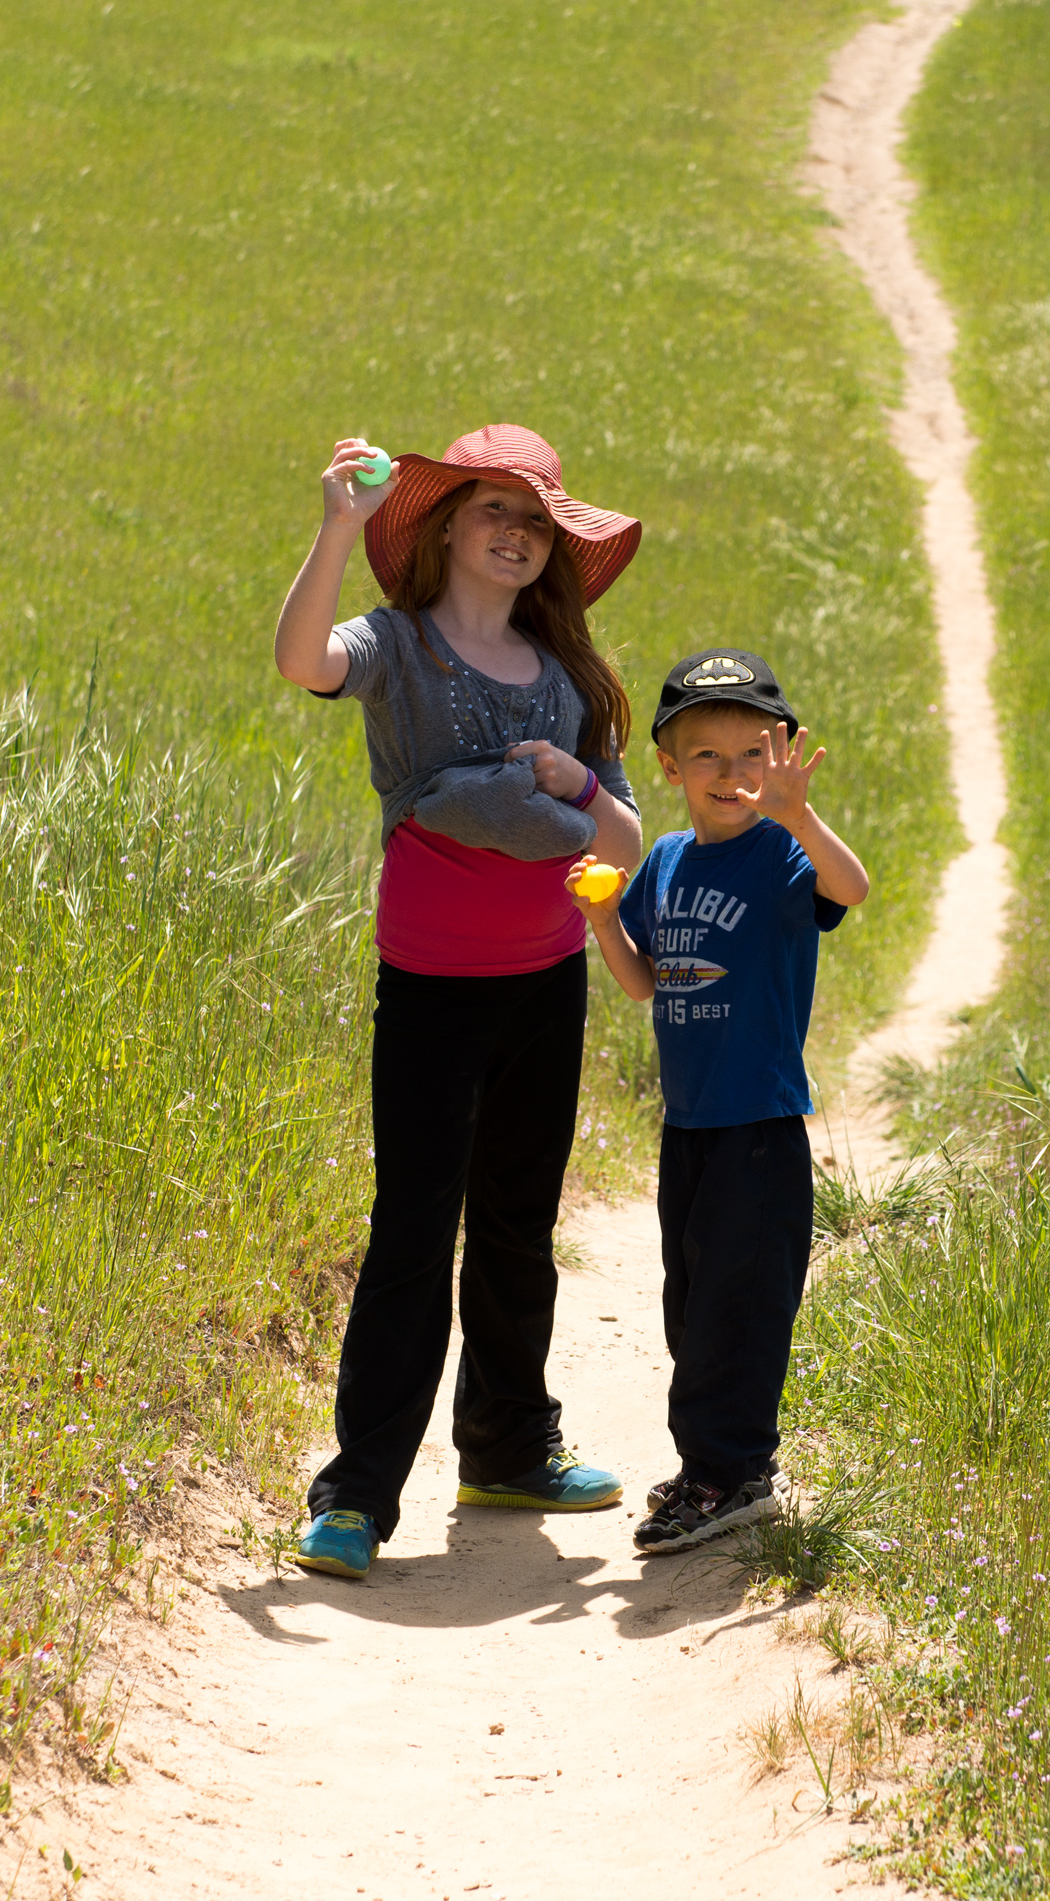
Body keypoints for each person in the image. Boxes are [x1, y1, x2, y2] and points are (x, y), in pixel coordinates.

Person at [270, 423, 647, 1580]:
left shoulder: (572, 677)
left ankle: (508, 1450)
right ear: (442, 525)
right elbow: (300, 661)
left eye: (537, 521)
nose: (516, 534)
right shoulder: (396, 647)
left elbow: (624, 841)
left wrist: (577, 784)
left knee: (519, 1227)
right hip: (433, 989)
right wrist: (338, 525)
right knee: (414, 1230)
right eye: (494, 509)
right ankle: (354, 1498)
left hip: (547, 982)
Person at [583, 647, 870, 1554]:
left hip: (758, 1126)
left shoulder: (783, 851)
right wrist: (603, 918)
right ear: (670, 767)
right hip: (691, 1127)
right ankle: (707, 1463)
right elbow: (643, 981)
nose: (731, 771)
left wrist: (800, 814)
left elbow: (852, 888)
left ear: (781, 757)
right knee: (691, 1303)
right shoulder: (667, 861)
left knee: (738, 1310)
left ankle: (735, 1475)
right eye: (706, 753)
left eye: (754, 752)